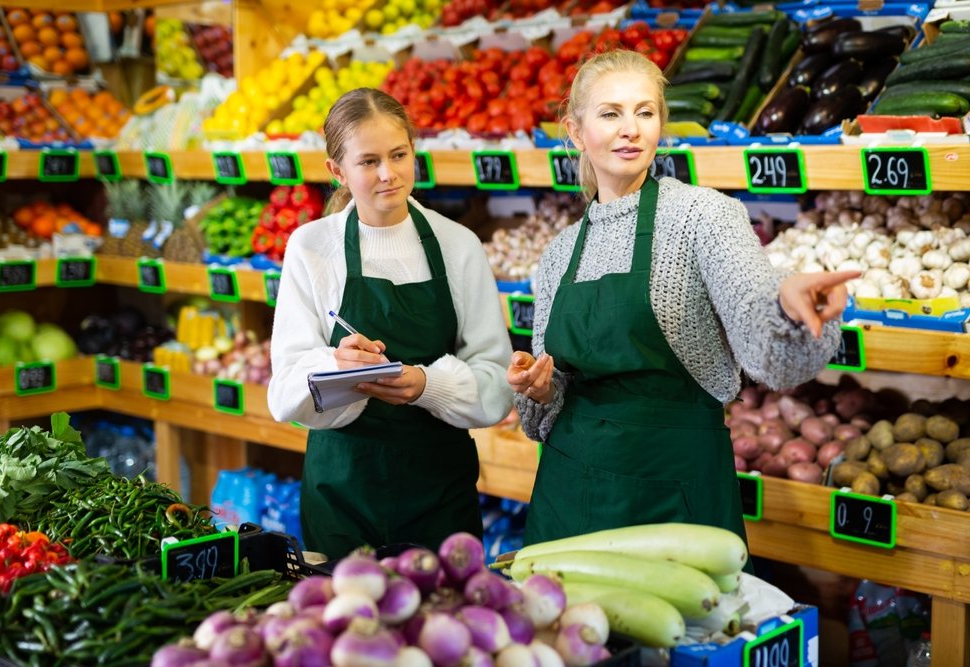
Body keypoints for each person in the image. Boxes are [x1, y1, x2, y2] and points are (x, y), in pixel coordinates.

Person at [506, 50, 859, 548]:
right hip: (569, 493)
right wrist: (539, 389)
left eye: (645, 112)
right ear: (576, 132)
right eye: (611, 113)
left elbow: (758, 322)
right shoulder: (560, 251)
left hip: (676, 491)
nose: (631, 129)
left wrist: (785, 304)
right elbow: (552, 393)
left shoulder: (703, 216)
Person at [268, 88, 513, 559]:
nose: (389, 173)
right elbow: (283, 392)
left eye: (399, 155)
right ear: (337, 171)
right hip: (341, 494)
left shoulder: (458, 245)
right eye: (369, 161)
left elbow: (496, 382)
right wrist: (336, 366)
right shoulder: (311, 248)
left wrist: (428, 386)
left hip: (439, 493)